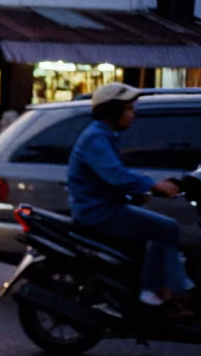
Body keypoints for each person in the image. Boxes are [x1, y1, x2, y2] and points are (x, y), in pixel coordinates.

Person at [67, 84, 192, 316]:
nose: (133, 114)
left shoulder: (105, 136)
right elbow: (114, 174)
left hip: (107, 206)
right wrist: (153, 185)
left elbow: (109, 179)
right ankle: (156, 292)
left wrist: (137, 194)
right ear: (112, 110)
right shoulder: (96, 138)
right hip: (99, 213)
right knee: (166, 227)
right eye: (128, 109)